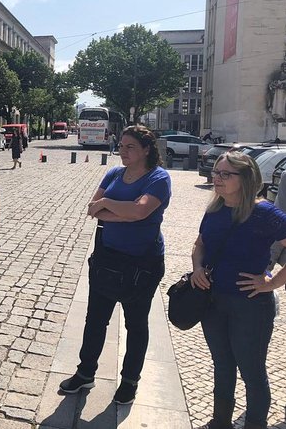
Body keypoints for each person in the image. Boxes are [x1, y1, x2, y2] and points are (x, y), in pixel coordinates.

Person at [59, 125, 171, 405]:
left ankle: (130, 380)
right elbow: (92, 208)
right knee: (95, 320)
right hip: (107, 259)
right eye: (121, 146)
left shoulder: (158, 178)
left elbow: (139, 210)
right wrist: (126, 213)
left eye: (130, 146)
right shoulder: (113, 173)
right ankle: (85, 372)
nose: (123, 151)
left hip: (142, 264)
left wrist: (111, 207)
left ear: (147, 149)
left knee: (136, 324)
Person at [190, 152, 286, 429]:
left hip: (251, 305)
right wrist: (197, 268)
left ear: (245, 179)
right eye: (216, 173)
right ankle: (220, 423)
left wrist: (271, 283)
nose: (216, 178)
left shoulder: (265, 213)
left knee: (252, 372)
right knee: (222, 366)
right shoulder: (214, 209)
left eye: (224, 174)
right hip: (213, 301)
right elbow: (200, 244)